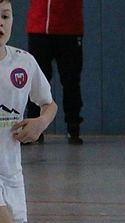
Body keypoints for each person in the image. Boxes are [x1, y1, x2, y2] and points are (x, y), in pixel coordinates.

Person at [0, 0, 58, 223]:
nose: (0, 23)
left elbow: (48, 104)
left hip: (12, 173)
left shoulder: (23, 62)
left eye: (5, 16)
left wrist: (39, 123)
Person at [25, 0, 83, 144]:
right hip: (39, 27)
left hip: (69, 29)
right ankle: (33, 128)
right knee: (36, 80)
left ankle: (73, 127)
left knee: (71, 80)